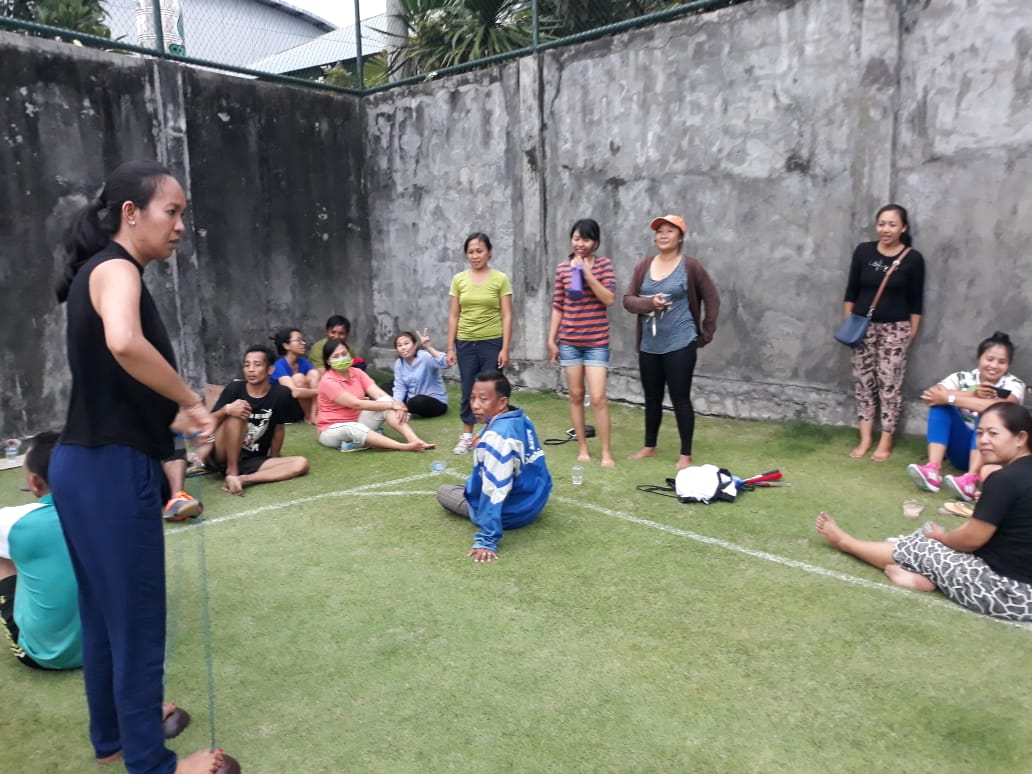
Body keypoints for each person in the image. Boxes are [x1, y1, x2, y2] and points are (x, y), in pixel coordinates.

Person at [48, 160, 237, 773]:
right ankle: (153, 764)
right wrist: (189, 399)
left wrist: (170, 418)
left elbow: (116, 382)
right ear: (132, 214)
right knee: (136, 623)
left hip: (79, 466)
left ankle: (115, 737)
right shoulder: (117, 268)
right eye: (172, 212)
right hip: (109, 471)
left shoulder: (97, 271)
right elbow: (125, 344)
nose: (181, 225)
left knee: (104, 617)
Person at [816, 402, 1032, 622]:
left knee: (924, 545)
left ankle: (846, 543)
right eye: (980, 433)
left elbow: (971, 540)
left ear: (1020, 438)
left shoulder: (1004, 480)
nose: (983, 440)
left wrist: (942, 538)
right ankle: (925, 578)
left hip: (1006, 594)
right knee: (942, 543)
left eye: (993, 433)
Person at [622, 214, 720, 469]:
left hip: (681, 341)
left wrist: (705, 333)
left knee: (680, 398)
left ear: (680, 237)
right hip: (649, 345)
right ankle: (649, 446)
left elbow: (712, 299)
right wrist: (648, 303)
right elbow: (628, 300)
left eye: (669, 231)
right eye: (659, 231)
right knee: (652, 397)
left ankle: (685, 454)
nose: (663, 235)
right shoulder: (644, 266)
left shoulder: (691, 267)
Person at [436, 371, 552, 562]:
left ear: (501, 402)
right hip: (535, 501)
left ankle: (488, 530)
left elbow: (495, 490)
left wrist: (486, 540)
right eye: (473, 398)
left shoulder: (496, 440)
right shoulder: (520, 417)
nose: (475, 405)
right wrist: (485, 431)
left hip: (513, 513)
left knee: (443, 491)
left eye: (483, 399)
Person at [841, 203, 926, 462]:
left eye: (892, 224)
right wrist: (849, 322)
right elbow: (852, 290)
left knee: (889, 385)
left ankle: (886, 440)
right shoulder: (863, 252)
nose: (885, 229)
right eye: (881, 224)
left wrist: (911, 332)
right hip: (862, 328)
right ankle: (866, 437)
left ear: (903, 228)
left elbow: (916, 300)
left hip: (896, 328)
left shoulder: (913, 259)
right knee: (863, 382)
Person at [907, 332, 1025, 500]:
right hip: (961, 448)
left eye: (1002, 362)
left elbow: (1003, 406)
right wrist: (972, 394)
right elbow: (931, 395)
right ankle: (932, 470)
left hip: (991, 456)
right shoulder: (962, 378)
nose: (994, 365)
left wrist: (950, 397)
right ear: (979, 358)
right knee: (939, 406)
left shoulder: (1013, 384)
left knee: (988, 415)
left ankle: (970, 480)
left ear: (1008, 365)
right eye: (989, 359)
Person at [0, 430, 82, 670]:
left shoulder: (15, 523)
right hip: (116, 645)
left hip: (44, 655)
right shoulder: (115, 508)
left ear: (35, 481)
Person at [547, 218, 617, 467]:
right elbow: (558, 306)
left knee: (598, 397)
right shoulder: (562, 269)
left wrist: (587, 274)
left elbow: (609, 299)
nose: (580, 243)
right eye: (576, 238)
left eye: (585, 239)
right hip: (569, 341)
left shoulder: (605, 266)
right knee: (576, 395)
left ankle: (607, 452)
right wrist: (551, 339)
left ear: (595, 242)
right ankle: (583, 448)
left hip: (597, 342)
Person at [199, 345, 310, 496]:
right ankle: (231, 472)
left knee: (301, 463)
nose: (250, 369)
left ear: (270, 370)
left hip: (251, 459)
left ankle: (244, 479)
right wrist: (227, 409)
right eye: (247, 365)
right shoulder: (235, 388)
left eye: (257, 365)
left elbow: (278, 428)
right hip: (221, 454)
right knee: (238, 413)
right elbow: (209, 424)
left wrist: (275, 458)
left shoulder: (280, 394)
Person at [446, 232, 513, 455]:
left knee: (491, 391)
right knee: (469, 390)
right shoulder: (459, 280)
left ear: (489, 252)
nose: (475, 256)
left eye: (479, 251)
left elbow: (507, 315)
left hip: (492, 342)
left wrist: (505, 347)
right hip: (465, 343)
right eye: (471, 252)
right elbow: (454, 315)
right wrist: (450, 347)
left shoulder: (500, 279)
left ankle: (491, 436)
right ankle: (466, 435)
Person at [316, 339, 435, 452]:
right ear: (328, 361)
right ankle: (403, 446)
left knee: (385, 400)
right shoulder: (328, 381)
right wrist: (392, 404)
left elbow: (378, 393)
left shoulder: (357, 373)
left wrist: (396, 405)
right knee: (353, 427)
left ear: (349, 354)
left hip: (357, 420)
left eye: (344, 353)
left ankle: (414, 440)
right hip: (330, 430)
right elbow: (356, 403)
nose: (341, 358)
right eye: (336, 356)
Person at [392, 329, 449, 418]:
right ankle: (401, 408)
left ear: (415, 345)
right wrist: (397, 404)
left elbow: (445, 363)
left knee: (417, 401)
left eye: (406, 343)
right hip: (411, 399)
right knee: (384, 389)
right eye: (399, 345)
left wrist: (428, 347)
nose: (403, 348)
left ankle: (406, 409)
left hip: (434, 401)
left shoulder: (425, 357)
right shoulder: (399, 363)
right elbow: (400, 388)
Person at [271, 327, 320, 424]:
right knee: (298, 378)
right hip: (285, 408)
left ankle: (314, 415)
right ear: (286, 345)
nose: (303, 343)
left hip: (301, 405)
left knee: (314, 374)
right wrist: (321, 391)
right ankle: (309, 416)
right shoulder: (279, 365)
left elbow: (315, 380)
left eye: (303, 340)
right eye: (298, 340)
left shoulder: (303, 362)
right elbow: (295, 393)